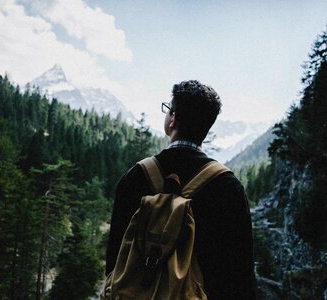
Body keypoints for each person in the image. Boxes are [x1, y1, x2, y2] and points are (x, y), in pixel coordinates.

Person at [105, 80, 256, 299]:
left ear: (173, 119)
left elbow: (114, 257)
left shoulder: (136, 176)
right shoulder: (227, 187)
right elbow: (240, 271)